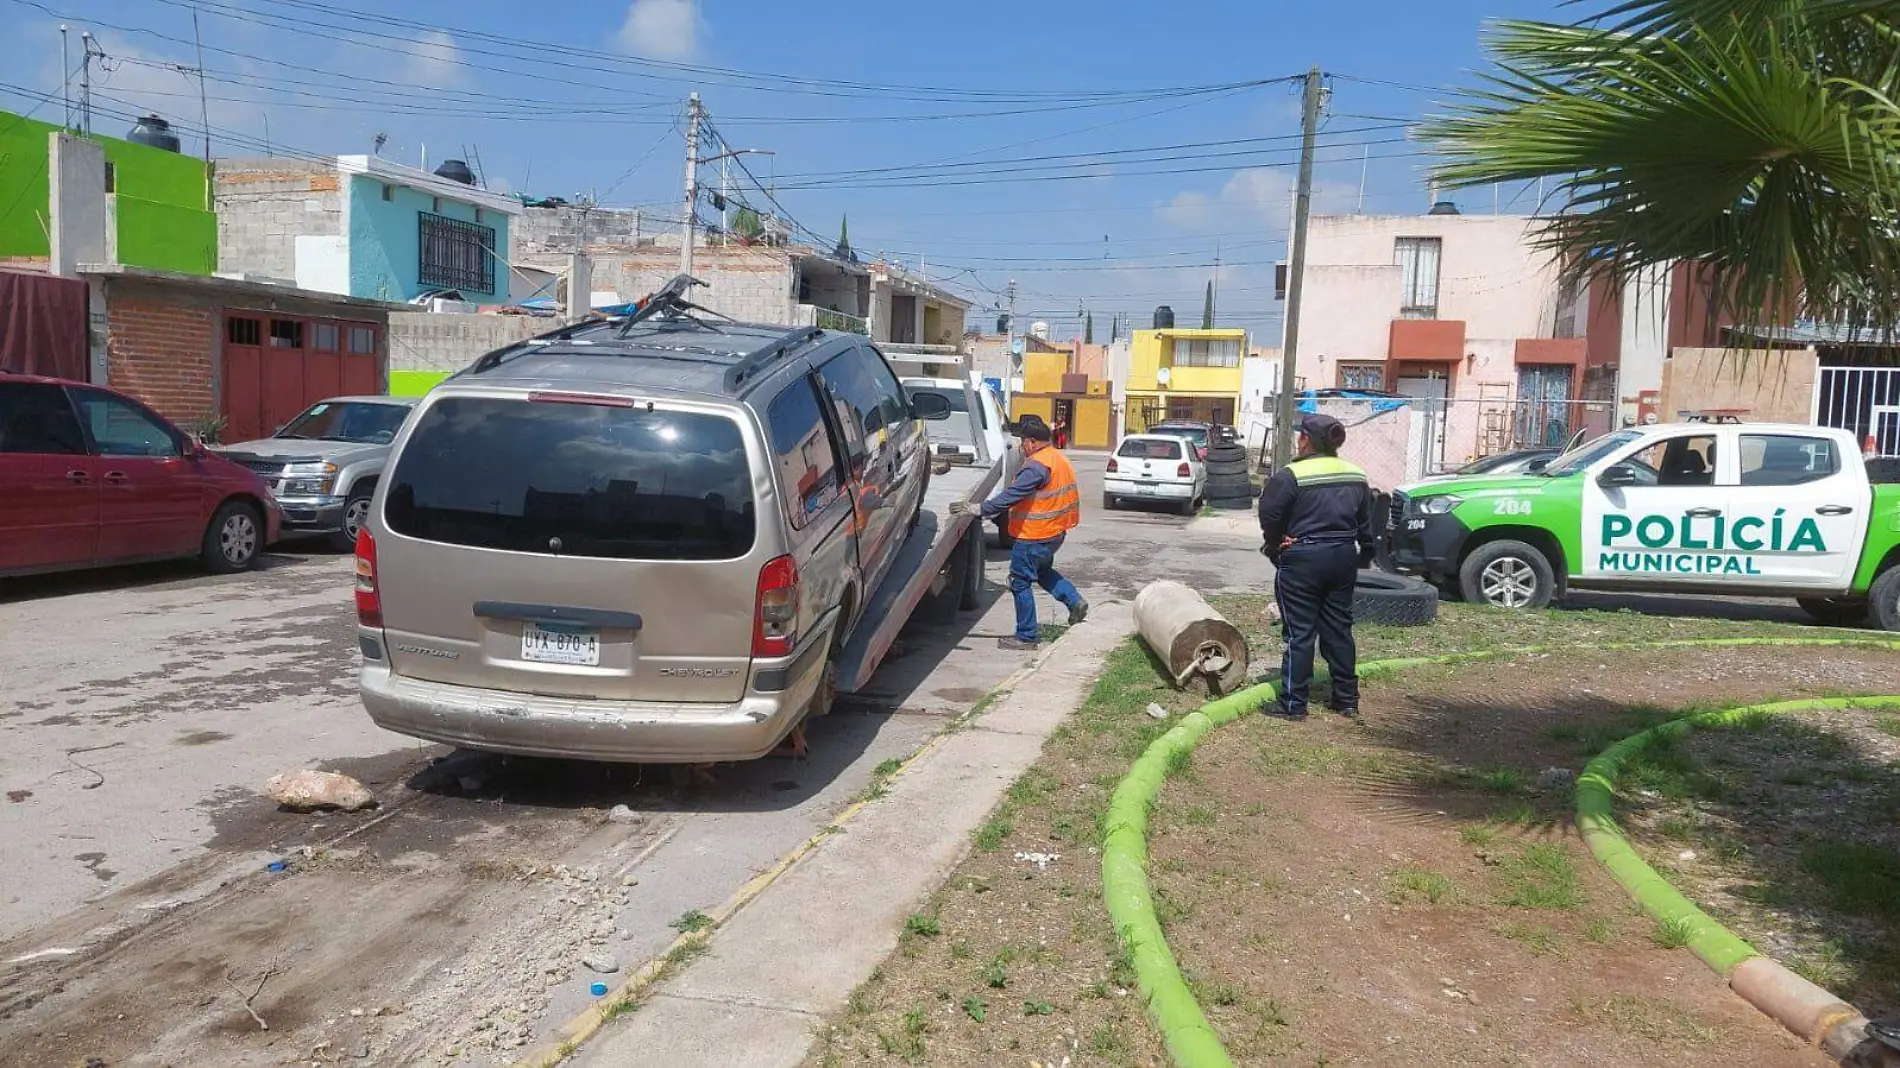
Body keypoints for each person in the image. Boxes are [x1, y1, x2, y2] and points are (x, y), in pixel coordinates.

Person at [1257, 413, 1377, 719]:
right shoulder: (1356, 474)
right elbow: (1366, 521)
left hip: (1303, 559)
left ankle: (1294, 704)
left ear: (1306, 440)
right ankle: (1346, 699)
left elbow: (1270, 514)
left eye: (1301, 436)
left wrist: (1275, 544)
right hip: (1342, 557)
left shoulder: (1291, 475)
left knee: (1300, 632)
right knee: (1339, 629)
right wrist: (1365, 553)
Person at [953, 414, 1088, 650]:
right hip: (1054, 533)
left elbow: (1010, 496)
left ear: (1033, 442)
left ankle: (1026, 636)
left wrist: (978, 509)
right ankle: (1074, 601)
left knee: (1020, 581)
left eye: (1023, 441)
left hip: (1034, 535)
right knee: (1043, 572)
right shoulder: (1057, 458)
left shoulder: (1036, 467)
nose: (1021, 446)